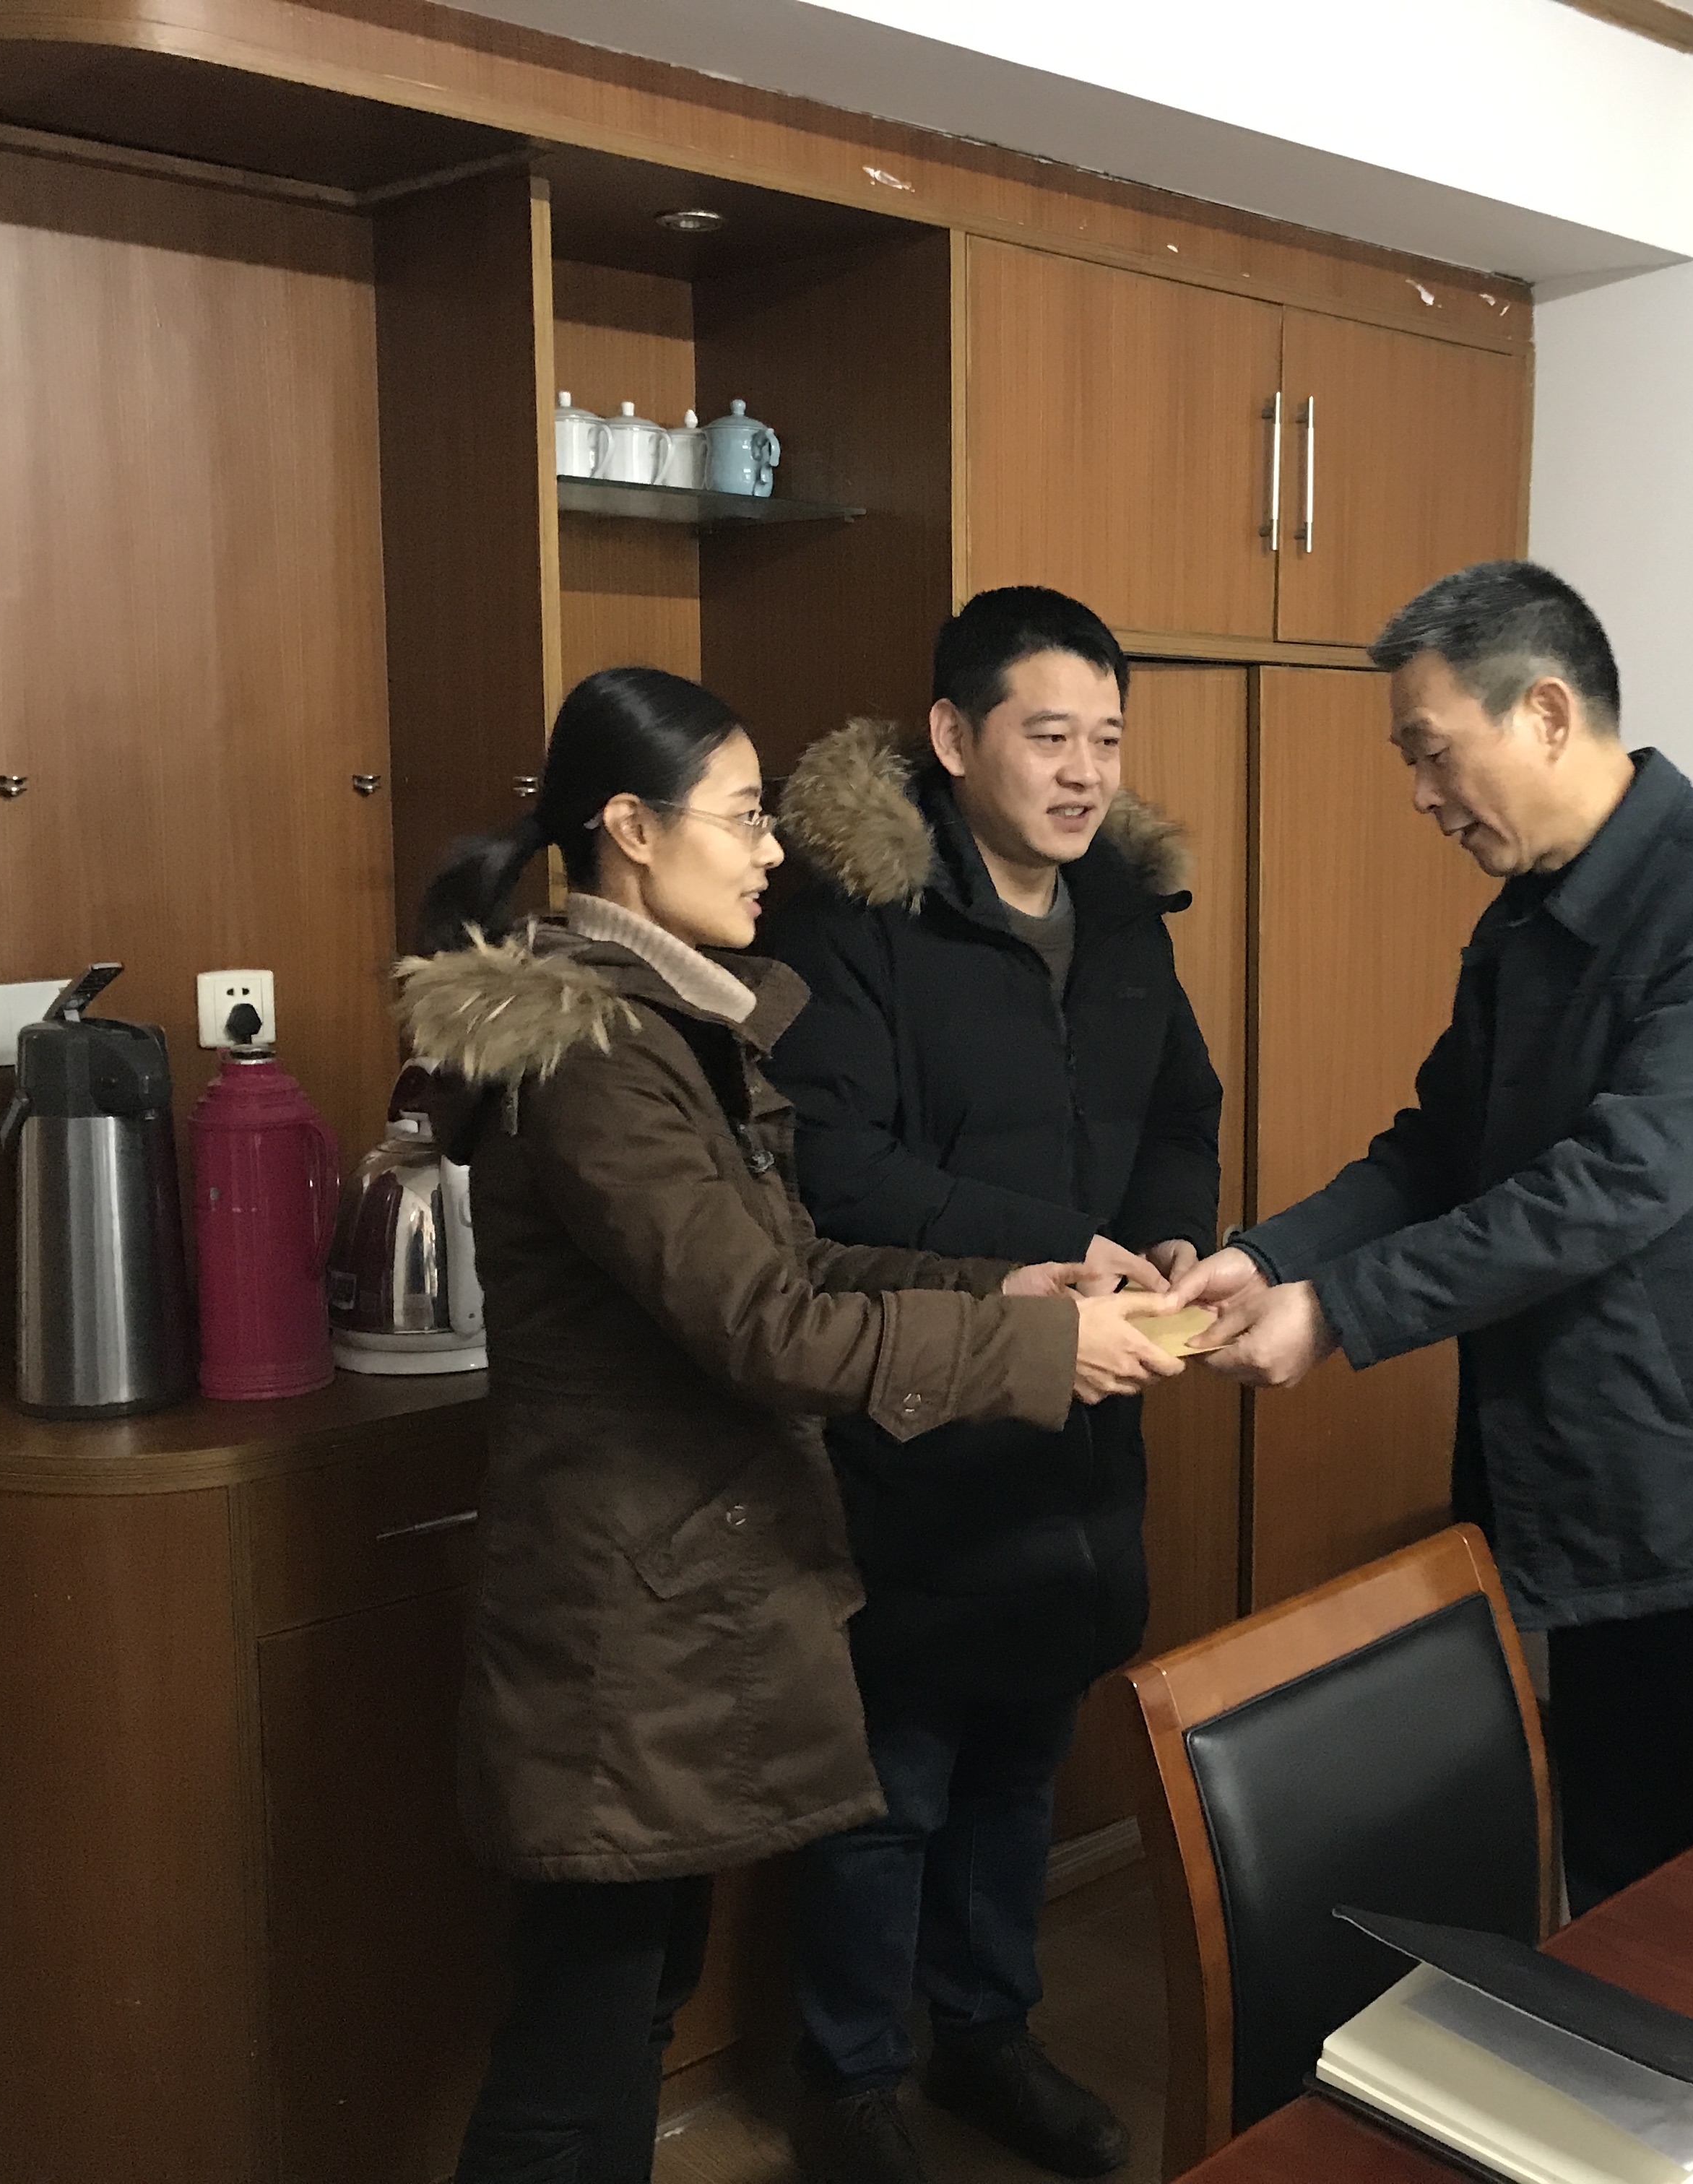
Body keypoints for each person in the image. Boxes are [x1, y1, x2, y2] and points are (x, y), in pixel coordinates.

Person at [397, 665, 1182, 2184]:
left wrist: (1006, 1283)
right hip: (620, 1630)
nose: (772, 853)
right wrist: (1036, 1347)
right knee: (580, 2049)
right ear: (632, 829)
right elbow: (769, 1329)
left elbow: (799, 1262)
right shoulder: (595, 1057)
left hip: (667, 1613)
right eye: (746, 818)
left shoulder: (667, 1025)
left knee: (626, 2008)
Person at [1169, 561, 1693, 1910]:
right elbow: (1438, 1150)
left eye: (1432, 750)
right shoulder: (1523, 925)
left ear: (1550, 713)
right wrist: (1272, 1257)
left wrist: (1338, 1312)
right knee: (1624, 1920)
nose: (1422, 794)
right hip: (1600, 1526)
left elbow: (1617, 1185)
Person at [759, 587, 1222, 2184]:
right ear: (955, 739)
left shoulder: (1128, 918)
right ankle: (850, 2082)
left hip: (1088, 1408)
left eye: (1107, 740)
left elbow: (1182, 1107)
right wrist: (1055, 1247)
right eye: (1050, 736)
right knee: (893, 1779)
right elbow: (834, 1167)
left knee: (1024, 1756)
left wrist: (1170, 1236)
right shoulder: (854, 923)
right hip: (921, 1405)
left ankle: (986, 2037)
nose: (1085, 773)